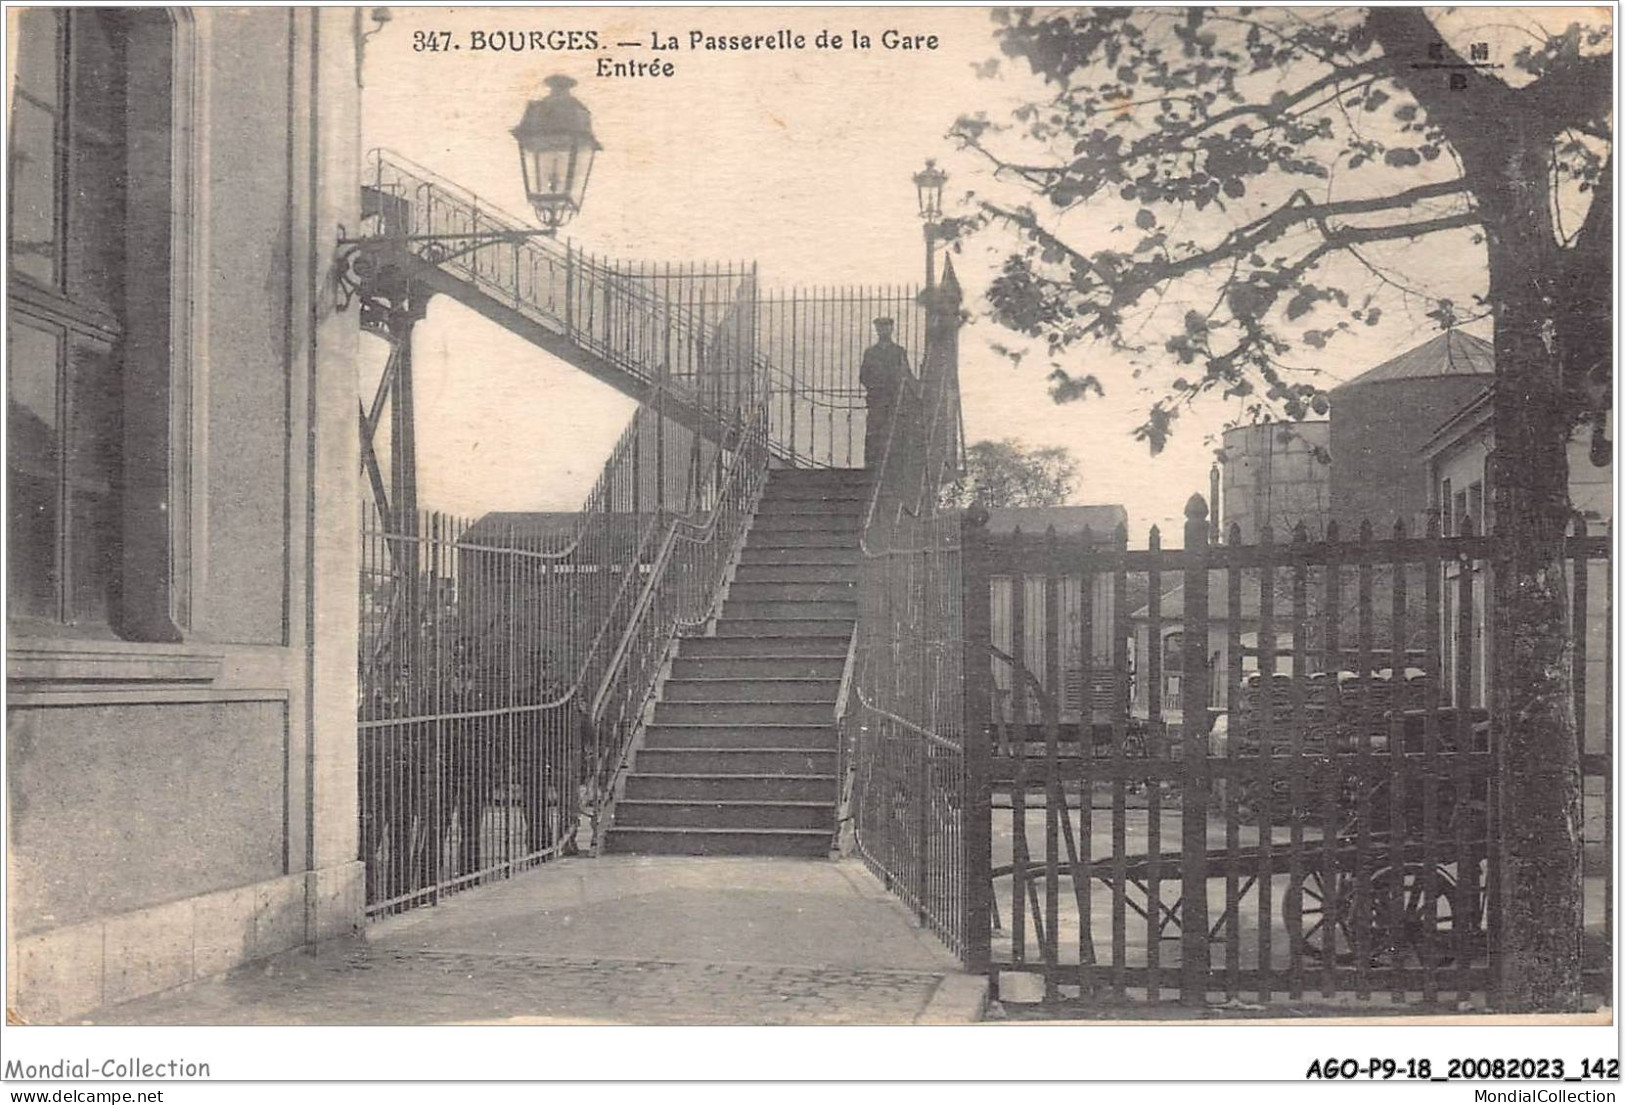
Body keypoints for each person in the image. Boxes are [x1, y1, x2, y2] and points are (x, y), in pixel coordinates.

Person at [859, 317, 914, 469]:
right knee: (874, 433)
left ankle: (893, 466)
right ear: (876, 330)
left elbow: (906, 374)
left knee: (894, 432)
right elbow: (863, 376)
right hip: (876, 399)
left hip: (894, 399)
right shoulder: (870, 353)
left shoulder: (898, 352)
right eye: (880, 327)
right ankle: (871, 465)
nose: (883, 330)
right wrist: (876, 386)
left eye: (886, 327)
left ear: (892, 329)